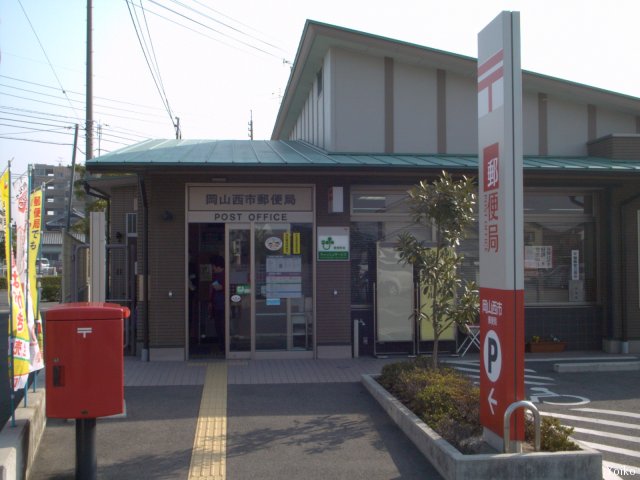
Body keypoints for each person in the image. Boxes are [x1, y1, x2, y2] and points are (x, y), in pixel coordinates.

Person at [208, 255, 225, 351]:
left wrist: (216, 286)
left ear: (218, 266)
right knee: (218, 327)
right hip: (216, 305)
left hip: (223, 305)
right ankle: (221, 345)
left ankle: (224, 346)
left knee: (222, 327)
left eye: (213, 266)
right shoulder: (215, 275)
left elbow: (224, 288)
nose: (212, 268)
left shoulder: (224, 275)